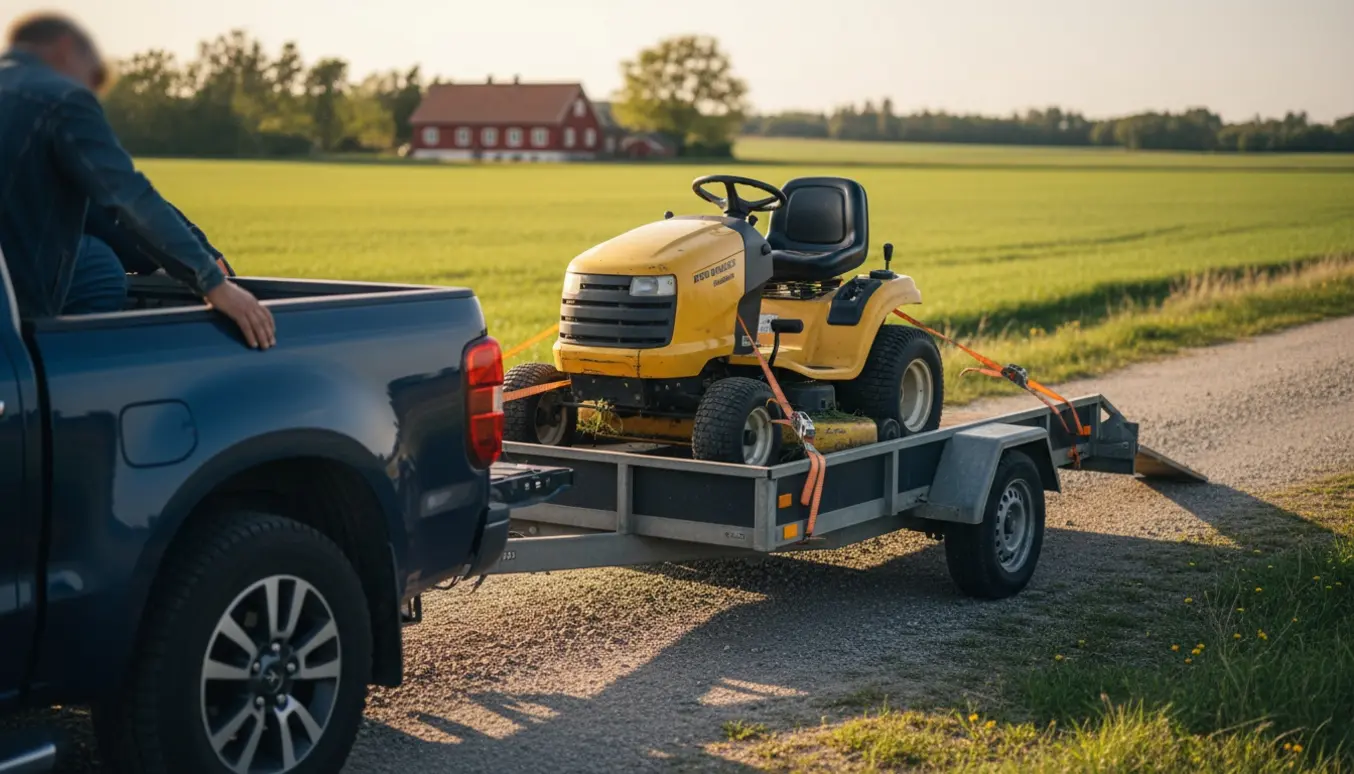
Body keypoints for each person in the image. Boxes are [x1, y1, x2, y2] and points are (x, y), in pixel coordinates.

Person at [0, 12, 275, 348]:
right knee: (100, 268)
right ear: (66, 48)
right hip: (13, 313)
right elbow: (125, 197)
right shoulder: (60, 97)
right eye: (94, 77)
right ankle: (68, 364)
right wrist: (213, 282)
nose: (94, 90)